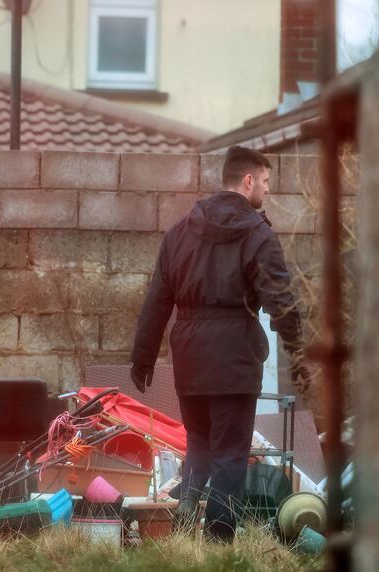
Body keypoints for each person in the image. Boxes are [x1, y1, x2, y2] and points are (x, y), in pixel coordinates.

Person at [129, 145, 310, 543]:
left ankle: (184, 518)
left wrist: (143, 358)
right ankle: (218, 542)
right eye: (265, 181)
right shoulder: (258, 234)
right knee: (230, 453)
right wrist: (298, 354)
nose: (267, 189)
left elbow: (157, 300)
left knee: (200, 443)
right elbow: (280, 300)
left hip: (189, 356)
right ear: (248, 181)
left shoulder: (180, 231)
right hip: (234, 356)